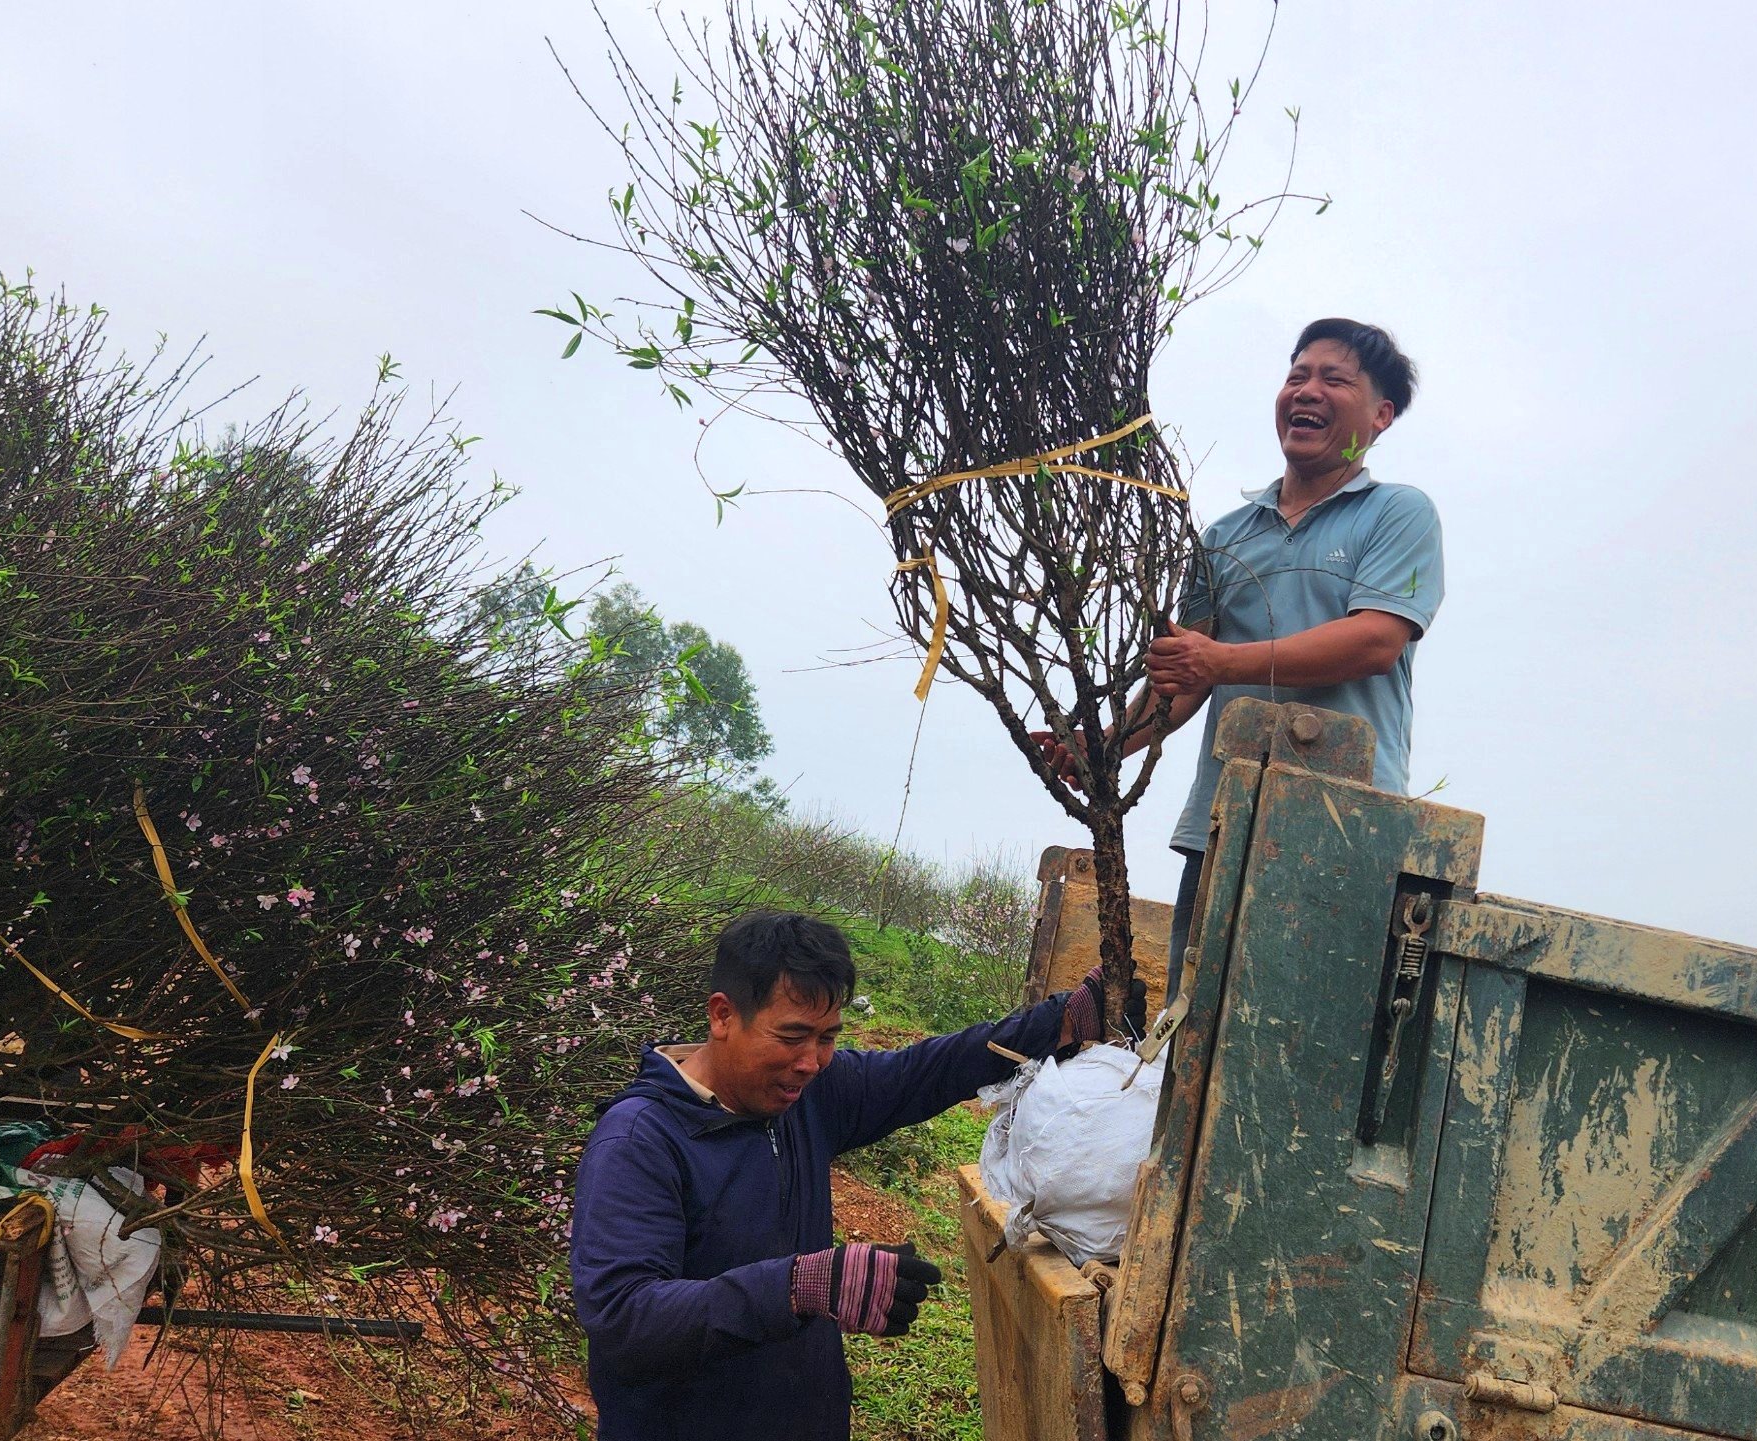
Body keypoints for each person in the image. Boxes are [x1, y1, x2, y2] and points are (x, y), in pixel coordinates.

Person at [568, 909, 1140, 1440]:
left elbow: (925, 1071)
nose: (811, 1061)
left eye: (828, 1037)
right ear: (723, 1015)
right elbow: (624, 1319)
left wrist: (1059, 1022)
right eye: (792, 1036)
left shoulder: (808, 1096)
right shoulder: (641, 1141)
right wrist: (797, 1286)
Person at [1035, 318, 1444, 995]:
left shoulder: (1397, 514)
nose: (1307, 390)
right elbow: (1184, 678)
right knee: (1196, 1020)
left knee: (1308, 1030)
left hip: (1344, 823)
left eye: (1334, 379)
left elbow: (1375, 639)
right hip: (1221, 822)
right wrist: (1103, 749)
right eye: (1297, 375)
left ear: (1381, 415)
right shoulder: (1224, 537)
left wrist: (1220, 662)